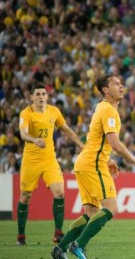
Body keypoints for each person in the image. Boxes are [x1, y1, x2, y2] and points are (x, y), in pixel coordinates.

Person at [51, 75, 135, 259]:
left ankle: (59, 249)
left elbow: (97, 140)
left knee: (91, 212)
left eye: (121, 82)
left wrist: (108, 159)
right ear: (105, 90)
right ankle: (79, 245)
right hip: (92, 165)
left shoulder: (102, 108)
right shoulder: (108, 111)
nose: (121, 85)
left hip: (85, 163)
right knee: (111, 208)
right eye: (115, 83)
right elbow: (115, 143)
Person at [17, 83, 84, 246]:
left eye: (43, 94)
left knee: (60, 192)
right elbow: (23, 133)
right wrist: (34, 140)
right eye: (37, 94)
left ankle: (58, 233)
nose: (41, 97)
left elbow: (65, 129)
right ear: (32, 97)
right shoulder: (26, 113)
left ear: (47, 96)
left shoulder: (54, 111)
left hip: (49, 160)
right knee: (25, 197)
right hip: (31, 160)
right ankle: (21, 235)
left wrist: (80, 144)